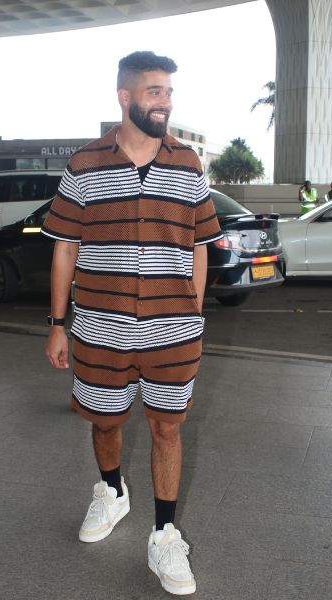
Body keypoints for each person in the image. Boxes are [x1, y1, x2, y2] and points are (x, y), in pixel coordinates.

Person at [42, 50, 222, 596]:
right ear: (125, 97)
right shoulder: (84, 164)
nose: (165, 101)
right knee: (104, 423)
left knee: (168, 428)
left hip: (173, 331)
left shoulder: (188, 164)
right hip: (100, 329)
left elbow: (200, 245)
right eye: (154, 91)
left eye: (169, 91)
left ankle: (165, 535)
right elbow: (64, 249)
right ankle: (112, 491)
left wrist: (193, 312)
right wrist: (57, 323)